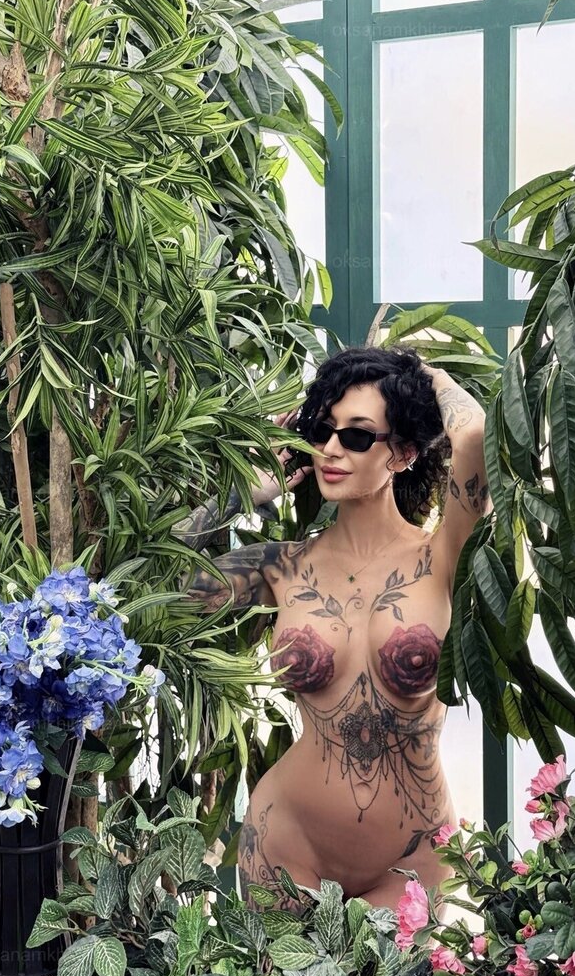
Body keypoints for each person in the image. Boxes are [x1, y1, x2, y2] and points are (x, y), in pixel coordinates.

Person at [172, 345, 492, 915]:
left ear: (403, 453)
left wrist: (427, 377)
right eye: (322, 430)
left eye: (358, 435)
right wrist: (242, 493)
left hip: (411, 858)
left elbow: (472, 438)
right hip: (286, 840)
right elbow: (164, 584)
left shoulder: (445, 555)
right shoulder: (283, 567)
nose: (331, 449)